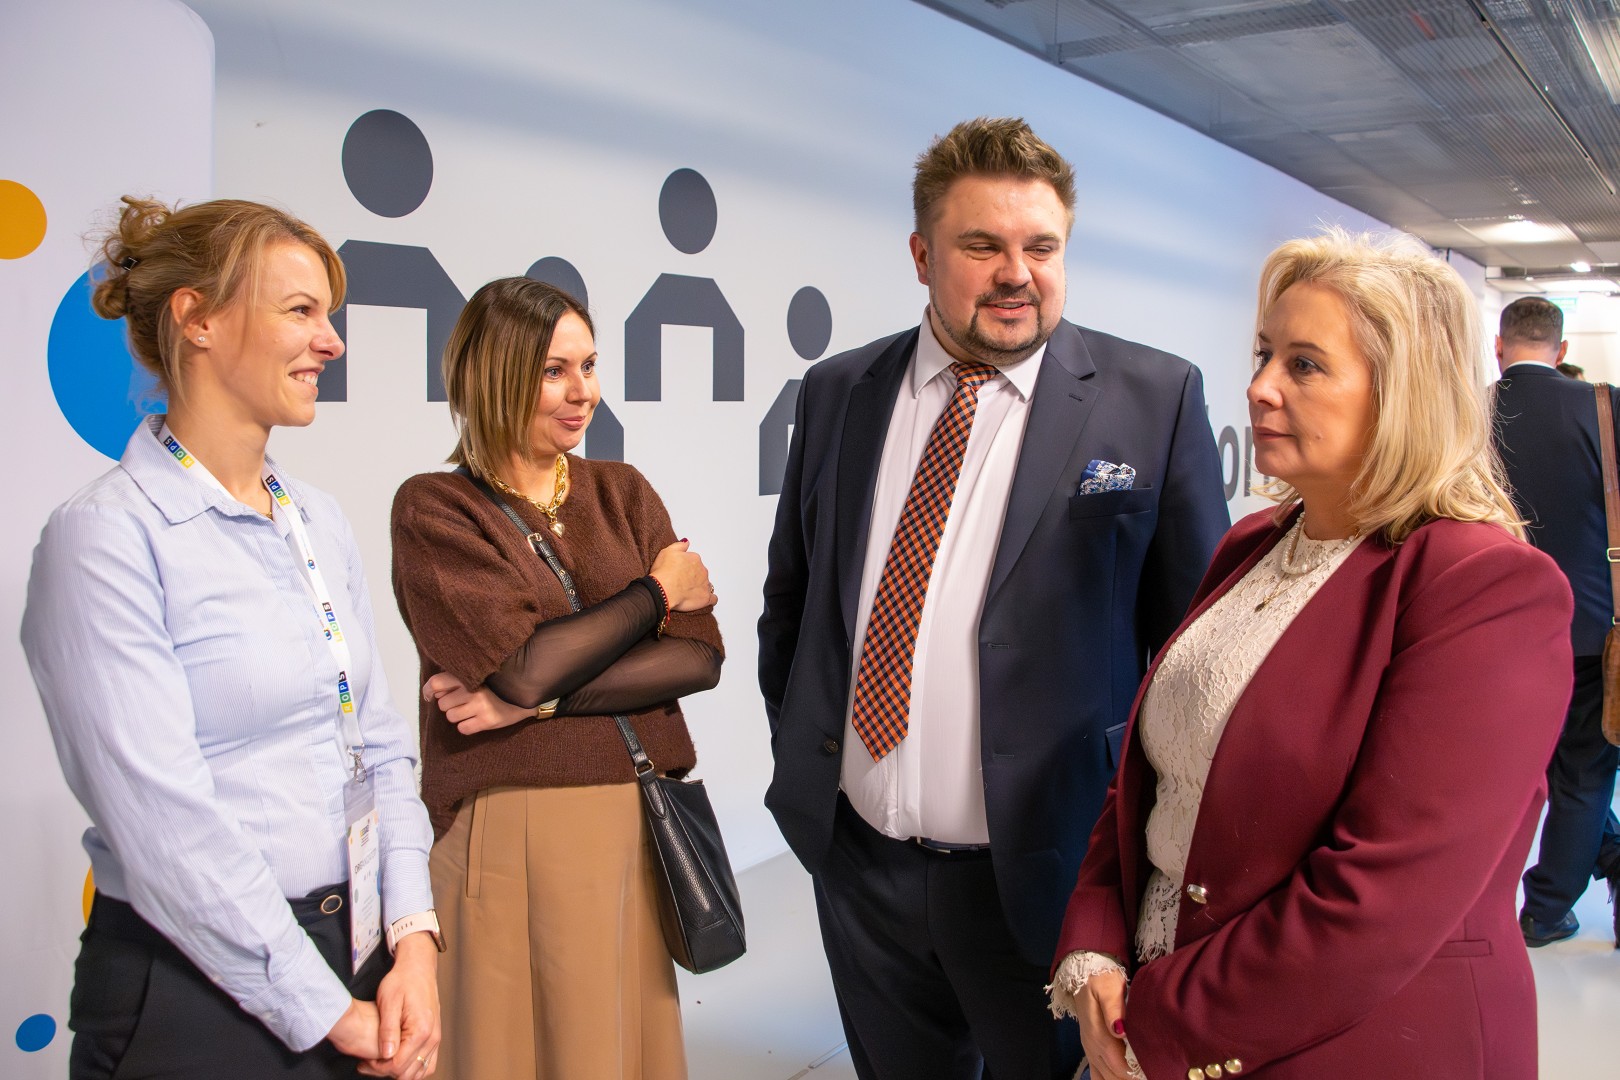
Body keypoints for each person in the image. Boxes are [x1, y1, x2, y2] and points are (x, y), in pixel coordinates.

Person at [758, 116, 1230, 1079]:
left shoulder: (1153, 398)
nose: (1017, 274)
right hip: (861, 870)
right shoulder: (839, 391)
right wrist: (816, 788)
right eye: (982, 246)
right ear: (922, 256)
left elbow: (1197, 663)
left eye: (1041, 247)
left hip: (1049, 876)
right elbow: (794, 607)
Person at [1051, 230, 1575, 1080]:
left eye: (1304, 365)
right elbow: (1154, 774)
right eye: (1263, 354)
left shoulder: (1482, 584)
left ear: (1402, 393)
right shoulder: (1255, 542)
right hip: (1153, 1006)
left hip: (1349, 1043)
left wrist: (1158, 1022)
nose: (1259, 387)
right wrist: (1097, 951)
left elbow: (1380, 898)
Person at [21, 197, 442, 1080]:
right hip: (193, 993)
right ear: (198, 319)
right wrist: (328, 1012)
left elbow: (380, 747)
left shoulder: (317, 519)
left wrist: (413, 940)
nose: (331, 341)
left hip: (356, 951)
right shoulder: (105, 537)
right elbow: (166, 827)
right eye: (301, 310)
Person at [389, 277, 723, 1080]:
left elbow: (698, 657)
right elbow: (522, 666)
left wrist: (532, 708)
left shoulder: (623, 492)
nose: (584, 393)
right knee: (513, 1054)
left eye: (589, 366)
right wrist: (655, 594)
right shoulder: (437, 509)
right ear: (492, 376)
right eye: (553, 371)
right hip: (513, 826)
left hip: (634, 822)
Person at [1493, 295, 1620, 947]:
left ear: (1499, 347)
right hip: (1593, 624)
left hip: (1497, 627)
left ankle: (1605, 861)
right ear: (1561, 349)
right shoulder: (1604, 407)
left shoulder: (1468, 414)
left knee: (1518, 769)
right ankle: (1545, 909)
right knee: (1585, 774)